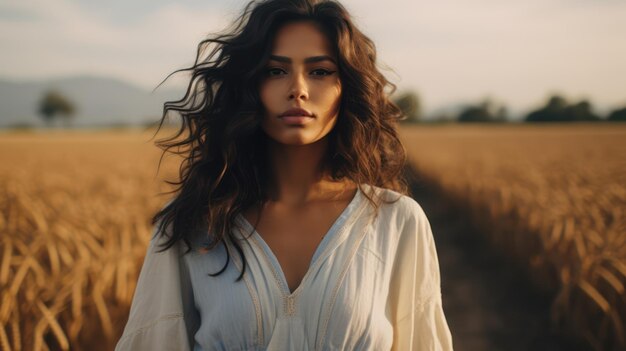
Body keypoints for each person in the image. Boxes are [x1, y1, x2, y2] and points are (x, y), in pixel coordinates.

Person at [115, 0, 453, 350]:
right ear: (249, 87)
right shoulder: (191, 222)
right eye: (275, 71)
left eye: (320, 71)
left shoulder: (397, 221)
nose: (298, 90)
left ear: (347, 88)